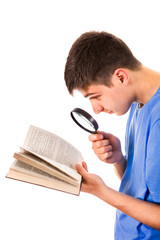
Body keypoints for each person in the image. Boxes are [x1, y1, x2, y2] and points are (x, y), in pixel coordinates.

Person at [64, 31, 160, 239]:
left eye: (95, 96)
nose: (96, 109)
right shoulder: (137, 103)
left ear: (120, 76)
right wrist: (119, 160)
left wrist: (101, 191)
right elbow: (144, 190)